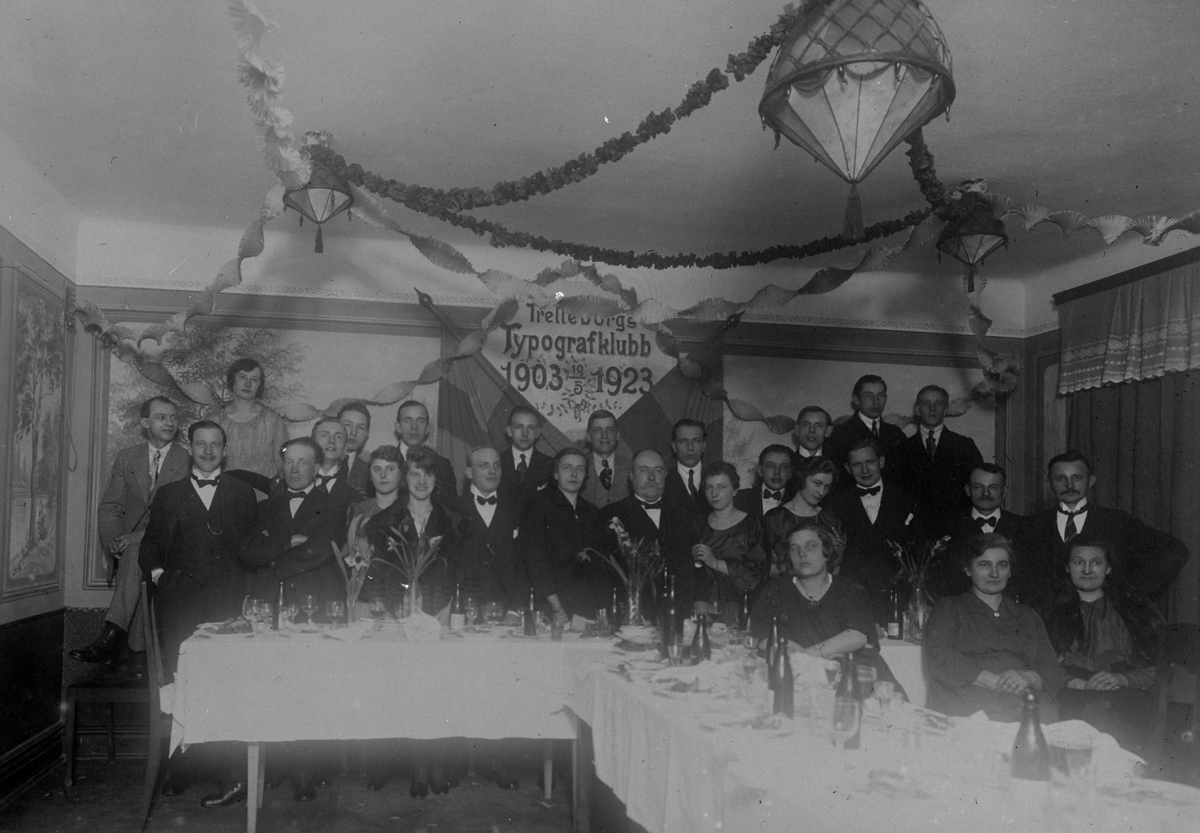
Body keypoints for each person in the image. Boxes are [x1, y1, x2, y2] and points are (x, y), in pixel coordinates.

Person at [138, 420, 259, 805]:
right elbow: (150, 546)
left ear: (225, 449)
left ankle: (231, 775)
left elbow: (253, 549)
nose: (208, 451)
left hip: (228, 603)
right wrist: (161, 577)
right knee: (183, 682)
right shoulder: (169, 494)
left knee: (228, 683)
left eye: (215, 444)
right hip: (181, 604)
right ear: (190, 447)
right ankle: (181, 769)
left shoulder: (241, 492)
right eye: (201, 444)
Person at [238, 437, 349, 804]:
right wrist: (288, 542)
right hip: (274, 605)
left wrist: (274, 560)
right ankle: (276, 766)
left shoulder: (334, 505)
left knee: (310, 689)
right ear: (281, 466)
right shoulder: (265, 507)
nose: (295, 468)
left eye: (304, 462)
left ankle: (305, 770)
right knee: (274, 685)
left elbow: (321, 549)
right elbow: (248, 551)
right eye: (289, 462)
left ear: (316, 468)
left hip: (315, 603)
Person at [71, 396, 190, 672]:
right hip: (132, 551)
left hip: (170, 544)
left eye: (174, 418)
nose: (169, 423)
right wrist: (114, 539)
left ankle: (112, 635)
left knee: (137, 551)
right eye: (161, 417)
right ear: (144, 422)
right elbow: (110, 506)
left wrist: (134, 538)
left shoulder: (185, 460)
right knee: (136, 560)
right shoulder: (127, 457)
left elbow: (177, 518)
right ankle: (135, 653)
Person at [1017, 451, 1189, 613]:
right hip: (1047, 622)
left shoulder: (1118, 522)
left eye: (1077, 477)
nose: (1069, 485)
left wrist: (1131, 597)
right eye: (1061, 478)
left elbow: (1176, 551)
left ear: (1091, 480)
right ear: (1048, 483)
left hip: (1105, 621)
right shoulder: (1031, 526)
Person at [924, 533, 1064, 722]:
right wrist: (996, 682)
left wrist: (1028, 678)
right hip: (967, 695)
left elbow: (1052, 668)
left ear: (1010, 571)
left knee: (1044, 710)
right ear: (968, 569)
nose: (994, 574)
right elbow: (939, 656)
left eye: (1002, 565)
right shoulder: (950, 607)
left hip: (1021, 695)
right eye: (984, 565)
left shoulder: (1027, 615)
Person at [749, 521, 902, 692]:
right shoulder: (775, 590)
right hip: (796, 679)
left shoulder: (851, 590)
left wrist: (806, 656)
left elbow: (858, 635)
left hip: (856, 679)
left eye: (811, 546)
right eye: (794, 548)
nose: (802, 554)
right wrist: (812, 659)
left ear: (827, 552)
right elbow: (764, 637)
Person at [1044, 536, 1164, 752]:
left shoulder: (1136, 610)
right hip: (1068, 691)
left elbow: (1161, 667)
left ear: (1108, 568)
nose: (1087, 570)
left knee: (1111, 715)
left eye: (1096, 562)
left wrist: (1123, 679)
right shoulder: (1047, 611)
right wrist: (1073, 682)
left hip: (1124, 694)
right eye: (1079, 562)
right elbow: (1037, 663)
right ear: (1067, 567)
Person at [825, 438, 922, 624]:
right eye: (857, 464)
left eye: (869, 462)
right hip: (854, 598)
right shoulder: (836, 505)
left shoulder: (906, 500)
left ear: (881, 461)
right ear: (847, 468)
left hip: (896, 597)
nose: (865, 470)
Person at [360, 446, 463, 621]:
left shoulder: (453, 522)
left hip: (441, 615)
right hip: (396, 616)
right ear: (404, 477)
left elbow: (460, 573)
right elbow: (376, 574)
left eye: (428, 474)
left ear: (436, 478)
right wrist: (383, 614)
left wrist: (450, 610)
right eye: (415, 474)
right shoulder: (384, 522)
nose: (422, 481)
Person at [601, 449, 707, 618]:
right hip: (633, 615)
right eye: (644, 470)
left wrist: (701, 598)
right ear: (631, 475)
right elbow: (604, 575)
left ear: (665, 475)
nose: (651, 477)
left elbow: (698, 562)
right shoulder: (610, 515)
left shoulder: (683, 515)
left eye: (657, 470)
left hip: (680, 612)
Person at [522, 448, 609, 623]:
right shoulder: (539, 504)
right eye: (567, 468)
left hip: (586, 606)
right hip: (551, 605)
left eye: (580, 469)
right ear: (555, 474)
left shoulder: (592, 511)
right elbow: (535, 560)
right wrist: (556, 607)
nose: (574, 474)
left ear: (586, 476)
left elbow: (598, 566)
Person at [891, 385, 983, 534]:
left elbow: (978, 489)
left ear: (946, 409)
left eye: (938, 403)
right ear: (917, 409)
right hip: (914, 531)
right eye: (926, 403)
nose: (932, 409)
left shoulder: (964, 446)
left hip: (957, 530)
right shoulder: (901, 449)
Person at [690, 462, 767, 622]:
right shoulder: (698, 524)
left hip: (739, 606)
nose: (714, 493)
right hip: (702, 605)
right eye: (709, 487)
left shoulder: (752, 525)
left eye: (721, 487)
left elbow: (756, 574)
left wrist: (714, 562)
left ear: (735, 490)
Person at [937, 464, 1025, 599]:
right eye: (978, 487)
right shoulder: (949, 528)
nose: (985, 493)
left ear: (1005, 491)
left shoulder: (1023, 526)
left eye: (993, 487)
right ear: (968, 490)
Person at [455, 446, 524, 615]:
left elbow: (523, 565)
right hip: (465, 608)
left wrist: (514, 611)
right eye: (483, 465)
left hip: (507, 608)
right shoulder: (453, 509)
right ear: (469, 472)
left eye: (497, 465)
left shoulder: (516, 509)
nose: (492, 471)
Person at [761, 456, 845, 579]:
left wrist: (838, 555)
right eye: (817, 483)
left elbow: (836, 570)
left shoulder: (830, 519)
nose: (821, 492)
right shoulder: (774, 518)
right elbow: (763, 569)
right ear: (802, 479)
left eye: (827, 486)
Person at [213, 357, 290, 478]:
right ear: (233, 380)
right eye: (242, 377)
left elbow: (283, 461)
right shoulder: (215, 420)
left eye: (254, 379)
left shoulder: (273, 421)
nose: (248, 384)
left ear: (259, 385)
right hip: (224, 488)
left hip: (263, 489)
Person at [823, 375, 906, 480]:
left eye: (881, 395)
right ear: (856, 400)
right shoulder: (840, 433)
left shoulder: (895, 432)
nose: (876, 401)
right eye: (869, 396)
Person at [393, 400, 458, 501]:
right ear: (398, 427)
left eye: (421, 421)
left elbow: (451, 506)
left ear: (427, 428)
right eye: (407, 420)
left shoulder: (442, 465)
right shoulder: (386, 463)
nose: (414, 426)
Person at [498, 405, 553, 512]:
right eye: (519, 427)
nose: (525, 433)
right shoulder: (497, 462)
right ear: (509, 431)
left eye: (531, 427)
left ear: (537, 432)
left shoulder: (550, 465)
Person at [578, 409, 631, 508]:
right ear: (588, 436)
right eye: (597, 430)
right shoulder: (578, 468)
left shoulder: (632, 467)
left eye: (610, 429)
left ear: (617, 435)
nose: (604, 435)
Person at [311, 416, 363, 510]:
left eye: (339, 437)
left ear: (345, 447)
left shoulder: (354, 497)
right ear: (312, 442)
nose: (332, 441)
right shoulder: (296, 486)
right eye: (324, 435)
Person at [663, 418, 711, 517]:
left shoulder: (715, 478)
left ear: (704, 446)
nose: (690, 447)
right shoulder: (662, 481)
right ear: (674, 446)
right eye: (683, 441)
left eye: (696, 441)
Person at [734, 444, 796, 520]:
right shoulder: (739, 498)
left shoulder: (797, 502)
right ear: (760, 470)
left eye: (784, 467)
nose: (777, 472)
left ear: (790, 472)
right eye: (770, 466)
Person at [337, 401, 373, 496]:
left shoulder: (370, 471)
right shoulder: (317, 463)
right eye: (347, 425)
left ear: (367, 433)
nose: (353, 432)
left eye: (360, 428)